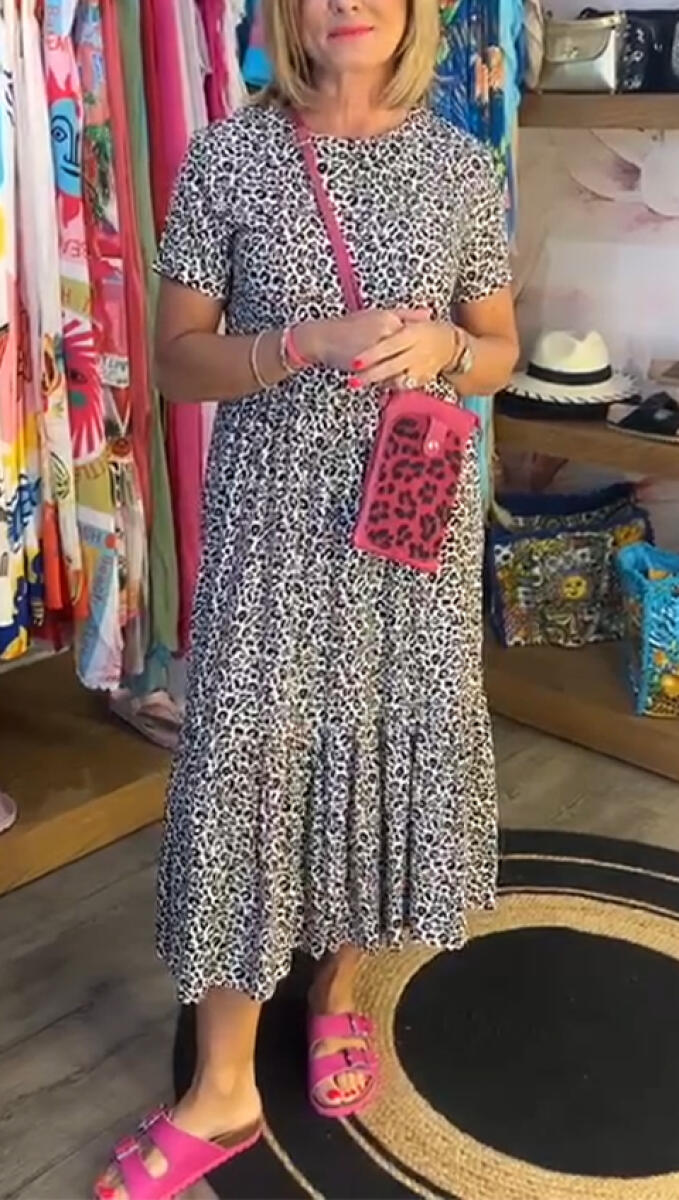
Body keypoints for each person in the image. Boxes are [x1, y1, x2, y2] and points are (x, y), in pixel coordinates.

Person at [95, 1, 518, 1197]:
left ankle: (336, 988)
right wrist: (296, 342)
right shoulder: (230, 154)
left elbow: (499, 344)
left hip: (411, 523)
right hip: (271, 530)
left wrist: (446, 350)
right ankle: (224, 1083)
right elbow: (175, 359)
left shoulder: (459, 165)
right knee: (248, 763)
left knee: (376, 749)